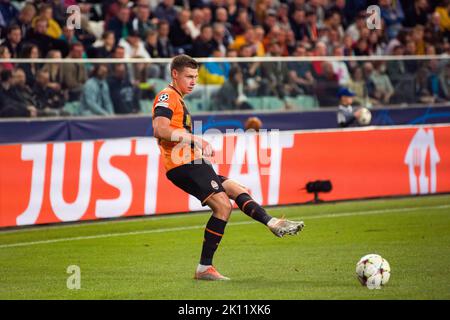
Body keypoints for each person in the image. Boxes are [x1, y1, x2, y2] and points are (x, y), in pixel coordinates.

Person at [151, 55, 305, 281]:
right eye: (189, 76)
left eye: (195, 77)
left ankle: (272, 222)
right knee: (223, 206)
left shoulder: (179, 98)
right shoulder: (167, 96)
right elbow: (160, 129)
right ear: (175, 74)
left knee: (233, 188)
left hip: (190, 161)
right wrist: (195, 140)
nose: (193, 81)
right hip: (182, 163)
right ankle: (204, 268)